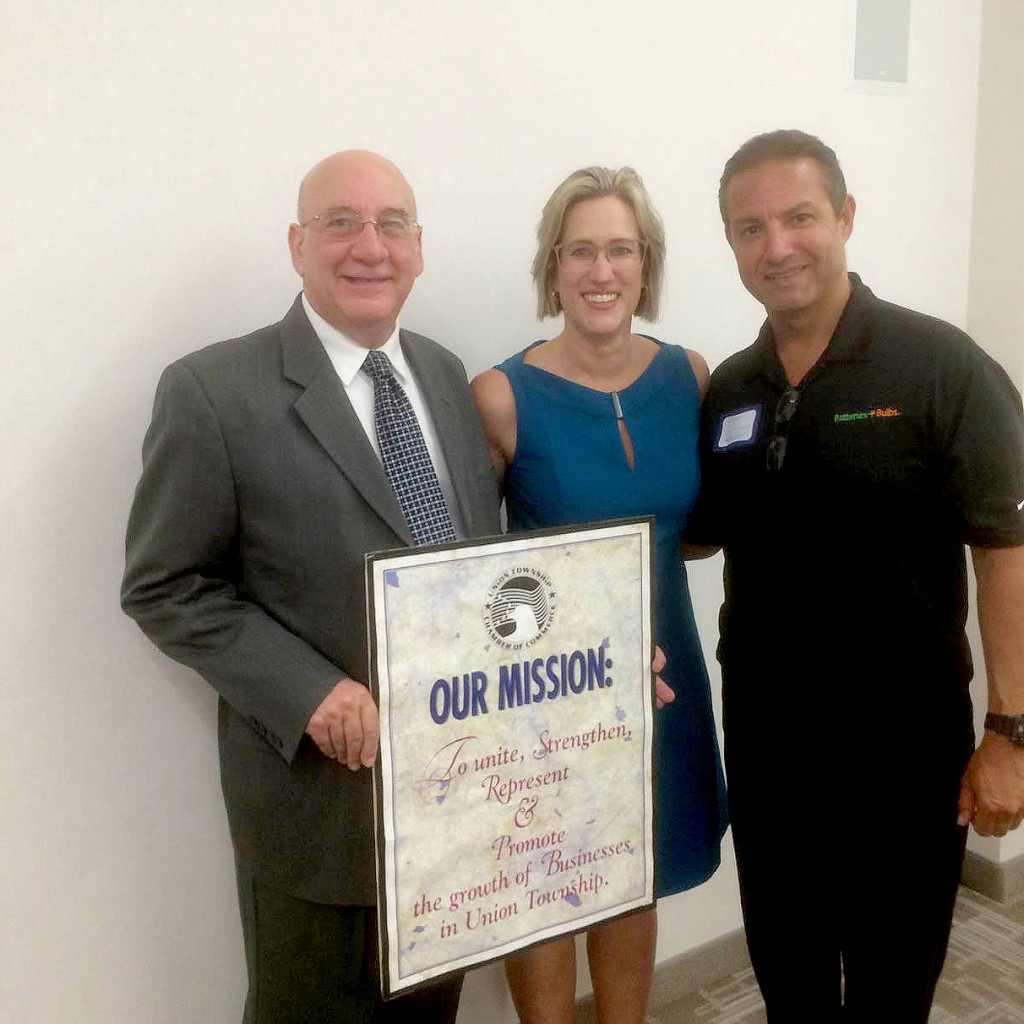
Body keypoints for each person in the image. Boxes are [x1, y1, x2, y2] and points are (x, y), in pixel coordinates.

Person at [121, 150, 500, 1023]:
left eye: (392, 224)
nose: (370, 246)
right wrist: (306, 689)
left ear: (419, 246)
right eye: (341, 222)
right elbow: (164, 584)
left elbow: (472, 565)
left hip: (450, 804)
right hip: (316, 817)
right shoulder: (213, 392)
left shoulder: (447, 375)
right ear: (298, 244)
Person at [686, 129, 1024, 1021]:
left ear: (844, 216)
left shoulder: (941, 366)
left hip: (904, 747)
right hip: (768, 739)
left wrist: (1011, 734)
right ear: (730, 245)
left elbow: (1005, 553)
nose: (777, 245)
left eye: (799, 217)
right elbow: (697, 536)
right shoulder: (732, 388)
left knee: (890, 984)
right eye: (749, 228)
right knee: (788, 975)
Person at [473, 166, 728, 1024]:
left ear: (645, 267)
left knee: (634, 875)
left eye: (621, 248)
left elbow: (697, 528)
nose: (601, 269)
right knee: (545, 885)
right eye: (579, 249)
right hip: (552, 692)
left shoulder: (690, 376)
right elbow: (474, 580)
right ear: (553, 270)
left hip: (666, 674)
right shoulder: (500, 396)